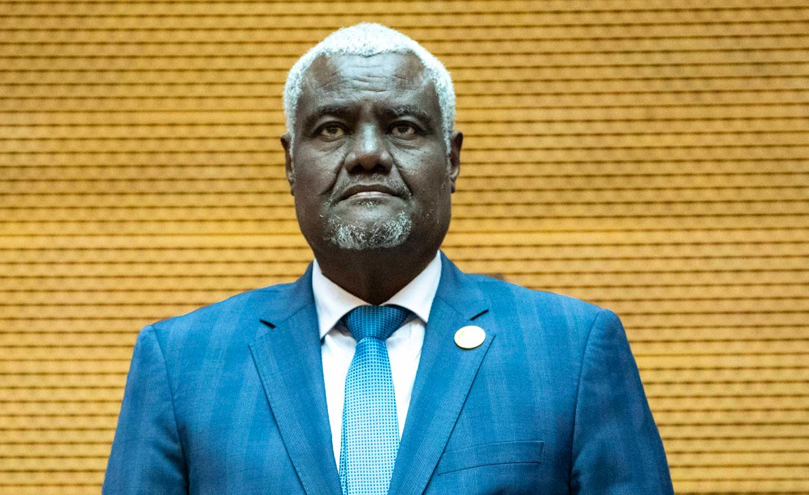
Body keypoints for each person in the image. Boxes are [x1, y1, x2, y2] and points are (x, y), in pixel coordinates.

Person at [103, 23, 674, 495]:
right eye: (332, 129)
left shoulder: (571, 352)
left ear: (452, 159)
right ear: (290, 164)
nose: (369, 154)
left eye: (403, 127)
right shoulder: (181, 364)